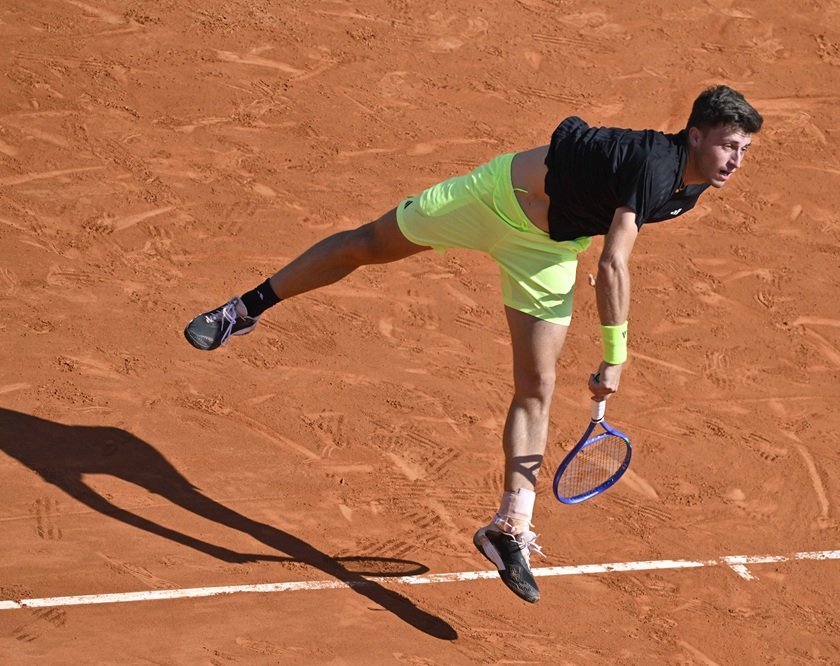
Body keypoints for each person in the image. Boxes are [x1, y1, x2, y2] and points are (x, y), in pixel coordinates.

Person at [184, 85, 763, 604]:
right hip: (490, 199)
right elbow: (612, 265)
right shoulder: (656, 165)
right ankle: (242, 309)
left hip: (548, 251)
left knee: (537, 385)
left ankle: (508, 528)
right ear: (694, 135)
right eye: (727, 146)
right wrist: (616, 353)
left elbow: (597, 238)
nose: (735, 161)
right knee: (366, 244)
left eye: (743, 150)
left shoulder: (689, 193)